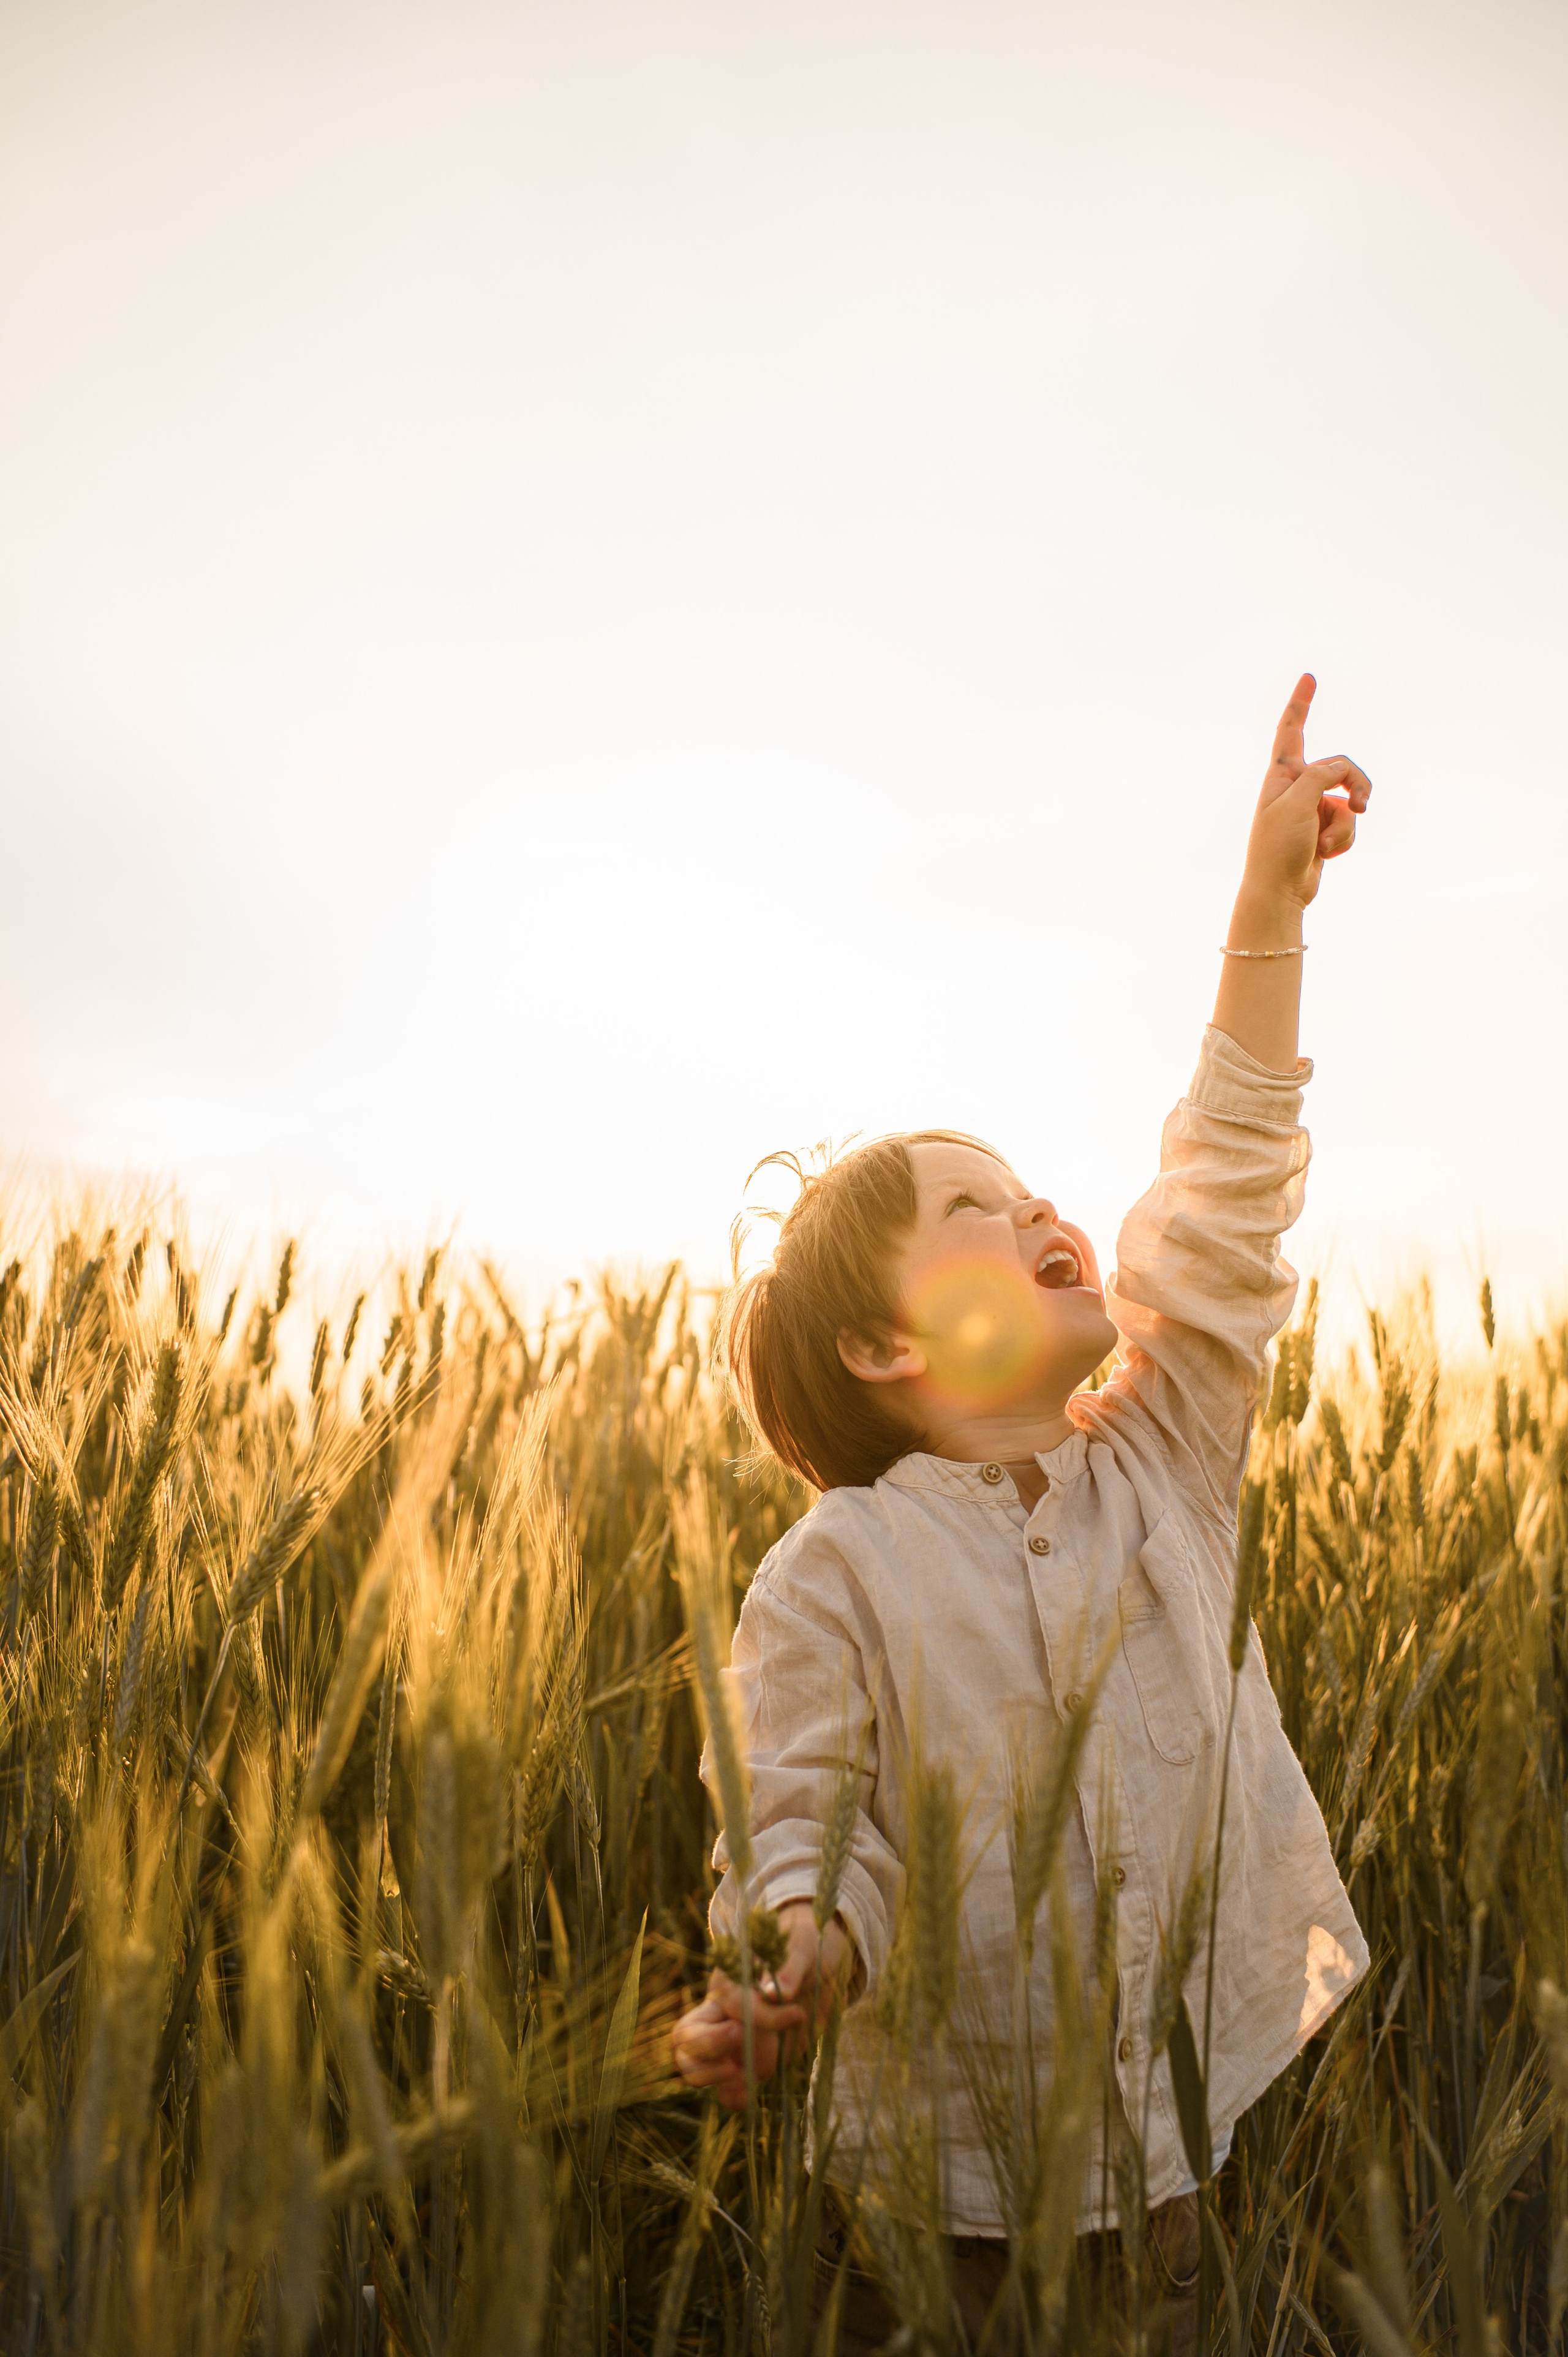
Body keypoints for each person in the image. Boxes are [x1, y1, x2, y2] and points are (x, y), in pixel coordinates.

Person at [671, 677, 1373, 2350]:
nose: (1042, 1203)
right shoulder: (836, 1573)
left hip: (1173, 2150)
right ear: (885, 1345)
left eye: (1027, 1179)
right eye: (976, 1211)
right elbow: (805, 1804)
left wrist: (1265, 909)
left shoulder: (1164, 1457)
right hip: (941, 2203)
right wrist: (801, 1952)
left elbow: (1223, 1194)